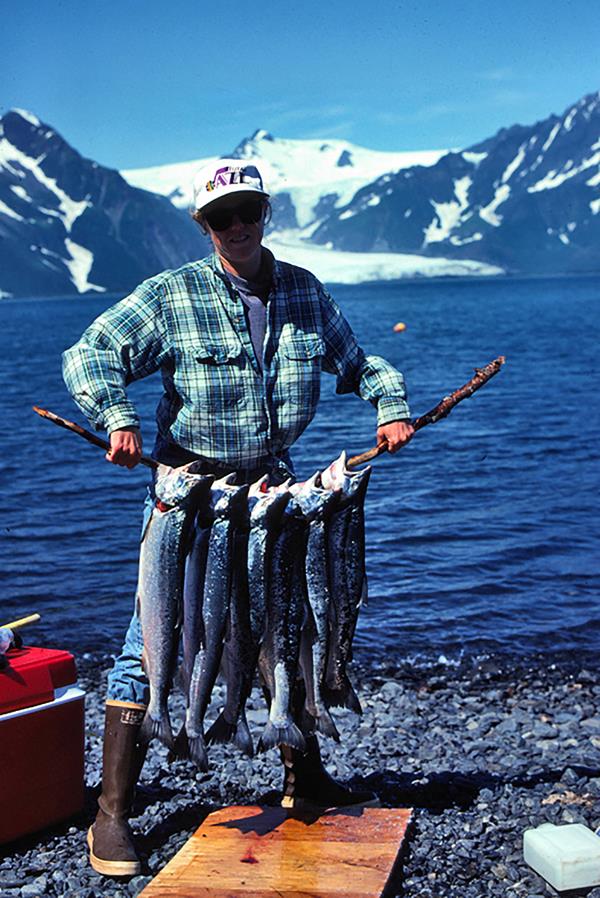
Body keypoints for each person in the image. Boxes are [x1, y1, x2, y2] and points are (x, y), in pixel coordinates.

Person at [63, 158, 414, 877]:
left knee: (291, 628)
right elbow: (90, 353)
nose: (239, 224)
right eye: (223, 216)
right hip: (191, 496)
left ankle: (304, 776)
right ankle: (112, 814)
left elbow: (358, 361)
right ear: (205, 226)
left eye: (249, 208)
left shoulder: (304, 294)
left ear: (266, 211)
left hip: (277, 493)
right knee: (149, 641)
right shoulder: (171, 295)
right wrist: (118, 418)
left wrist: (391, 403)